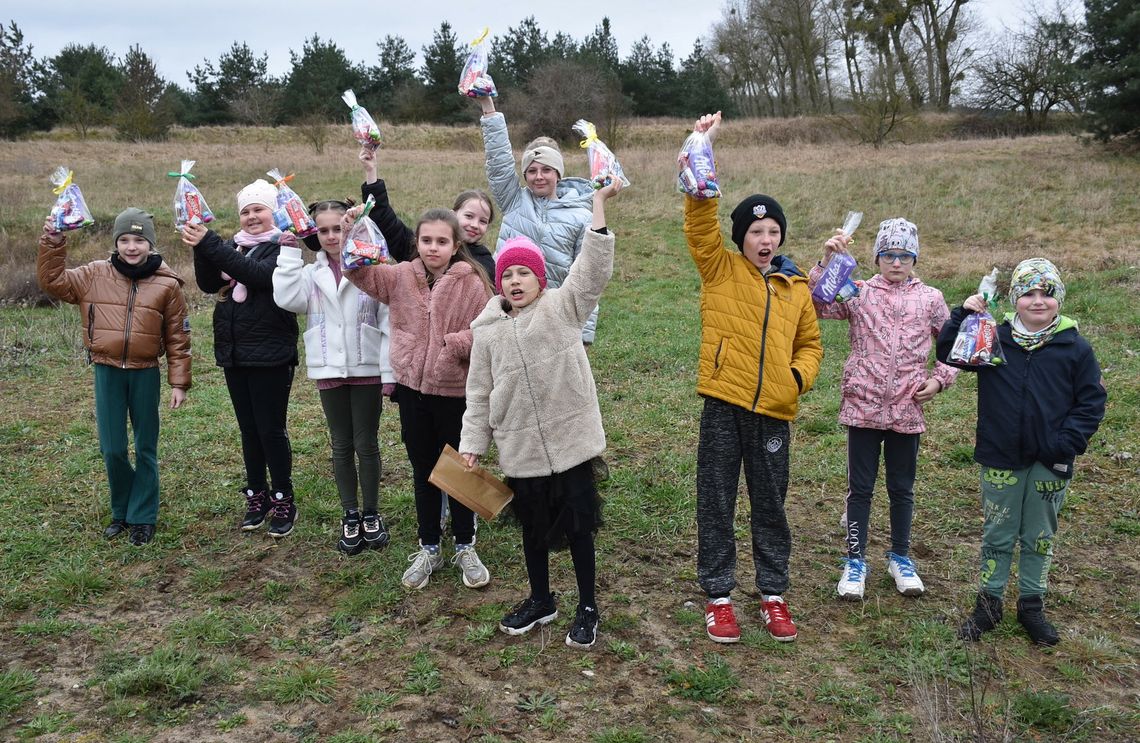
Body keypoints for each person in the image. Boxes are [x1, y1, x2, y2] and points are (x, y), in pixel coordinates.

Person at [460, 181, 621, 651]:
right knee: (532, 526)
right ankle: (541, 597)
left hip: (571, 442)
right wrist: (473, 444)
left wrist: (598, 208)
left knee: (578, 525)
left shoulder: (562, 309)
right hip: (521, 448)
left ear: (540, 279)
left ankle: (587, 604)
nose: (514, 281)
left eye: (524, 274)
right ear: (499, 284)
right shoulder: (486, 332)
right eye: (507, 274)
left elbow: (591, 271)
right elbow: (479, 394)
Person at [683, 112, 823, 644]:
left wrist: (795, 378)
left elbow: (811, 345)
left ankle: (773, 593)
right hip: (723, 402)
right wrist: (703, 146)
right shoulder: (719, 267)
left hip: (773, 411)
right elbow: (700, 223)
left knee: (770, 501)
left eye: (773, 231)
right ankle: (719, 596)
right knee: (715, 498)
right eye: (755, 231)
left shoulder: (795, 285)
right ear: (740, 237)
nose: (765, 239)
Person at [937, 258, 1105, 646]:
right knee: (998, 532)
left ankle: (1032, 605)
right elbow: (949, 353)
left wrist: (1065, 444)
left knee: (1039, 535)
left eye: (1047, 293)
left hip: (1051, 461)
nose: (1037, 301)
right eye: (1028, 293)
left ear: (1058, 299)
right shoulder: (994, 338)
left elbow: (1091, 402)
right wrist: (963, 313)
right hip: (1001, 456)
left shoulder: (1075, 348)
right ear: (1014, 299)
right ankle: (989, 603)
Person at [808, 218, 958, 600]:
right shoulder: (857, 293)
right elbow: (819, 303)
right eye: (888, 255)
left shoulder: (931, 299)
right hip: (863, 405)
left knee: (901, 488)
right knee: (860, 489)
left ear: (914, 258)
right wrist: (827, 262)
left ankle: (901, 556)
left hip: (907, 409)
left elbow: (954, 346)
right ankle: (855, 559)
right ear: (876, 258)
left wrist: (940, 380)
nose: (896, 263)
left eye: (904, 255)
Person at [343, 207, 493, 590]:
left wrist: (453, 344)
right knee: (424, 469)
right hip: (412, 391)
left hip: (453, 392)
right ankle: (429, 546)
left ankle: (465, 544)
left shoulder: (472, 283)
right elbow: (358, 272)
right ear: (417, 243)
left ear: (456, 245)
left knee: (459, 470)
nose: (433, 248)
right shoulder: (400, 276)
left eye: (442, 241)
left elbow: (490, 330)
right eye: (426, 240)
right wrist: (351, 233)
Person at [37, 208, 191, 546]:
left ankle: (142, 516)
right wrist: (53, 242)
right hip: (107, 371)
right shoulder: (94, 274)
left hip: (145, 372)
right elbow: (53, 281)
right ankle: (121, 510)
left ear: (151, 243)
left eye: (139, 240)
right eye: (124, 240)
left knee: (145, 446)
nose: (131, 247)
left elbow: (178, 336)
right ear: (116, 243)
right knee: (113, 448)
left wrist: (178, 382)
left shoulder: (167, 283)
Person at [272, 198, 395, 555]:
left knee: (366, 442)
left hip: (366, 365)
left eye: (338, 229)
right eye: (323, 230)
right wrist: (290, 254)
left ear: (351, 228)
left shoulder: (371, 268)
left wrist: (388, 370)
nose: (331, 236)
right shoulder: (311, 274)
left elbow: (387, 318)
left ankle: (371, 512)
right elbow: (287, 298)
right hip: (329, 366)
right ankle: (350, 513)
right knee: (341, 444)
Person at [182, 180, 299, 538]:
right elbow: (206, 282)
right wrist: (200, 247)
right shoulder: (233, 246)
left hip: (271, 354)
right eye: (246, 211)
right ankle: (257, 494)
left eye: (258, 209)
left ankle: (283, 497)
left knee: (270, 429)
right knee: (248, 430)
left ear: (272, 212)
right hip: (235, 352)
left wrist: (210, 242)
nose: (251, 217)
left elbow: (257, 276)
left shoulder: (283, 247)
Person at [473, 96, 599, 345]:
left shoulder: (582, 215)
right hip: (510, 308)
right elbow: (498, 162)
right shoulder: (513, 200)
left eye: (546, 170)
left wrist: (584, 332)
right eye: (531, 170)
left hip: (554, 315)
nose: (538, 177)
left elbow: (586, 274)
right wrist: (489, 109)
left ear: (558, 173)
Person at [358, 145, 496, 278]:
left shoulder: (485, 262)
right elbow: (385, 221)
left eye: (483, 221)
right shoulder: (421, 246)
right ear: (453, 214)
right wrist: (371, 171)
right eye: (469, 216)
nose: (475, 224)